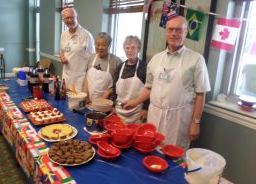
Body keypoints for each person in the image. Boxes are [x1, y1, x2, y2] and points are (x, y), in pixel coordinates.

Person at [124, 16, 211, 150]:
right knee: (151, 150)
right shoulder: (156, 59)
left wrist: (196, 122)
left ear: (186, 32)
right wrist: (134, 102)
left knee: (174, 155)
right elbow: (148, 88)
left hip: (179, 118)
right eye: (170, 29)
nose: (174, 33)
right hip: (154, 115)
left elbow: (201, 94)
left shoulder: (196, 60)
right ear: (166, 32)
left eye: (178, 30)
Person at [111, 35, 149, 124]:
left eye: (133, 48)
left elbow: (149, 89)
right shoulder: (120, 67)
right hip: (119, 111)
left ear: (138, 49)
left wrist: (145, 109)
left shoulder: (144, 67)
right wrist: (113, 106)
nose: (130, 50)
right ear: (124, 49)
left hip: (137, 113)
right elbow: (114, 89)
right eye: (127, 48)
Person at [60, 7, 95, 92]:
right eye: (67, 18)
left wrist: (86, 85)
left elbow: (92, 60)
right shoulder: (64, 34)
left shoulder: (86, 35)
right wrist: (61, 57)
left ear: (77, 17)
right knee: (64, 103)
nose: (69, 20)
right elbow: (62, 51)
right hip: (66, 77)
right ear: (63, 20)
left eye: (72, 17)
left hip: (79, 81)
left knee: (76, 104)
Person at [83, 32, 122, 101]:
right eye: (97, 44)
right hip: (89, 101)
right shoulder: (91, 58)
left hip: (106, 102)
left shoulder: (117, 61)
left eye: (103, 45)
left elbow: (117, 84)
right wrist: (85, 95)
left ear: (109, 46)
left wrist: (103, 98)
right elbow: (87, 79)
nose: (100, 48)